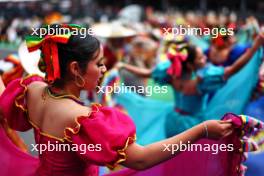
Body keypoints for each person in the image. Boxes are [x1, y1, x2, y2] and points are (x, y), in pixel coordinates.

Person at [0, 24, 234, 176]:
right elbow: (141, 160)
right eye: (98, 63)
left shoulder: (31, 88)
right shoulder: (80, 118)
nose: (103, 69)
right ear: (75, 68)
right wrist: (201, 131)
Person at [116, 33, 264, 138]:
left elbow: (147, 73)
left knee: (171, 156)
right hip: (194, 127)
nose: (205, 57)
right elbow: (234, 69)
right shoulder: (202, 80)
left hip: (172, 121)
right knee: (192, 161)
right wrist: (255, 46)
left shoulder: (171, 74)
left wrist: (124, 66)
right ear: (191, 64)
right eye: (201, 57)